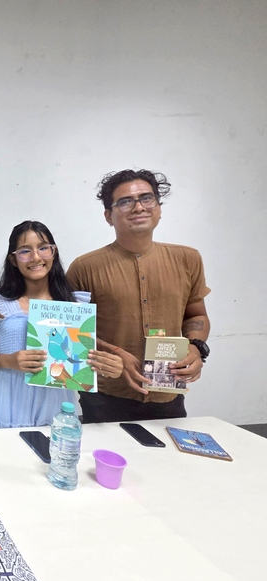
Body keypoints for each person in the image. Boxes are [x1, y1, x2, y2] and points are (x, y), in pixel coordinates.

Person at [67, 169, 211, 423]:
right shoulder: (85, 267)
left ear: (159, 208)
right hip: (106, 393)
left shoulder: (188, 259)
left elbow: (196, 315)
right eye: (125, 202)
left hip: (168, 391)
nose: (139, 207)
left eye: (147, 198)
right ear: (108, 216)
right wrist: (115, 353)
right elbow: (70, 331)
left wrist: (196, 348)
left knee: (166, 450)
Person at [0, 221, 123, 428]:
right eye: (25, 251)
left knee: (54, 445)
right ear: (13, 259)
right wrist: (9, 360)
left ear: (54, 252)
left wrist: (106, 367)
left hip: (55, 395)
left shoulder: (72, 306)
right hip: (8, 391)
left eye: (43, 248)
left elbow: (79, 359)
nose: (36, 257)